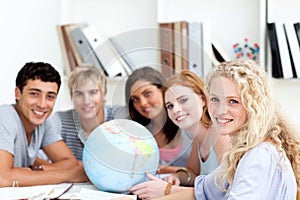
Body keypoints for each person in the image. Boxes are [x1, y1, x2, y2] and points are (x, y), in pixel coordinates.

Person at [156, 59, 300, 200]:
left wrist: (167, 189)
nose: (221, 110)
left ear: (254, 106)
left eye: (233, 101)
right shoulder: (239, 154)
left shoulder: (259, 155)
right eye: (215, 99)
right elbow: (202, 191)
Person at [129, 70, 230, 199]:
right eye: (170, 106)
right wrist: (177, 177)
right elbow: (193, 172)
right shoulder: (198, 138)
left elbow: (224, 188)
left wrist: (169, 190)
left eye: (183, 101)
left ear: (203, 99)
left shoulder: (219, 132)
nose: (176, 110)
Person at [0, 62, 88, 187]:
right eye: (34, 94)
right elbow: (2, 178)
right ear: (18, 93)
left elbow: (70, 163)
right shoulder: (5, 116)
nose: (42, 104)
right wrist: (66, 175)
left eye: (50, 97)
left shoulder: (43, 122)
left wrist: (34, 169)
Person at [49, 64, 126, 160]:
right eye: (79, 94)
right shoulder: (60, 120)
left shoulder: (119, 116)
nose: (86, 101)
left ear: (104, 93)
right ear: (71, 96)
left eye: (93, 93)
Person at [125, 67, 193, 172]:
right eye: (135, 99)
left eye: (147, 93)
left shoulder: (187, 122)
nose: (142, 103)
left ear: (162, 90)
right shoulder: (133, 131)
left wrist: (160, 169)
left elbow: (202, 172)